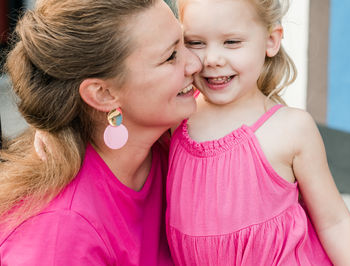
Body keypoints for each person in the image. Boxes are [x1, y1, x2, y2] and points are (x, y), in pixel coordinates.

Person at [165, 0, 350, 265]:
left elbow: (334, 222)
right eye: (195, 42)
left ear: (271, 41)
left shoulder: (290, 129)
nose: (212, 59)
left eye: (231, 42)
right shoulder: (178, 116)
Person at [0, 0, 201, 264]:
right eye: (171, 56)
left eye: (186, 42)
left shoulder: (175, 131)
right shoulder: (60, 236)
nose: (196, 63)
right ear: (103, 94)